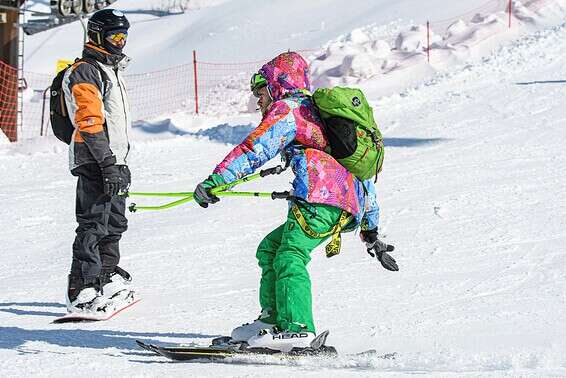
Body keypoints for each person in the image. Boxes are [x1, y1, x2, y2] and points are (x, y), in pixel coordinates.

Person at [193, 52, 396, 352]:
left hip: (320, 201)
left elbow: (255, 149)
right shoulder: (321, 114)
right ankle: (273, 319)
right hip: (341, 204)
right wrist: (371, 230)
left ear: (276, 85)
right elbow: (360, 173)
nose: (258, 101)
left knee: (290, 254)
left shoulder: (289, 109)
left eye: (260, 93)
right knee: (271, 248)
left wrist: (217, 180)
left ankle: (297, 328)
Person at [63, 9, 134, 313]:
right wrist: (106, 163)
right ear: (96, 36)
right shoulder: (86, 71)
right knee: (93, 223)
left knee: (114, 220)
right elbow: (90, 121)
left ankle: (105, 276)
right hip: (94, 158)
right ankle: (82, 287)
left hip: (112, 160)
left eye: (124, 36)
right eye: (114, 36)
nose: (120, 43)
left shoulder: (110, 70)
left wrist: (118, 163)